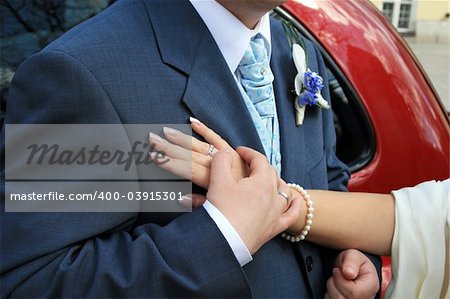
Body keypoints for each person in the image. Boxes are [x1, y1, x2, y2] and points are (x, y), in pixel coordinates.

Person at [1, 0, 381, 297]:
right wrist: (223, 234)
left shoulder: (299, 50)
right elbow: (32, 281)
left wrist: (354, 259)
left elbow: (330, 178)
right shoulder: (79, 70)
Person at [153, 120, 449, 298]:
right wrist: (269, 197)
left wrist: (267, 196)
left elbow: (333, 179)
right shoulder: (113, 60)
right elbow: (411, 221)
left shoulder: (305, 53)